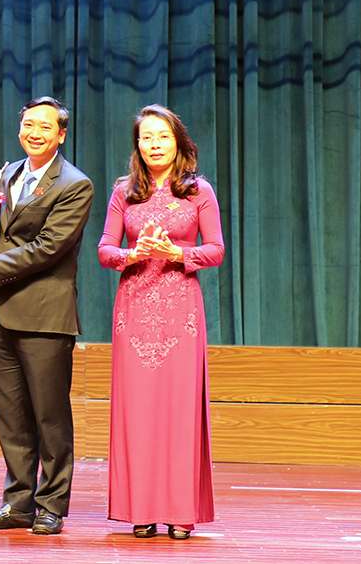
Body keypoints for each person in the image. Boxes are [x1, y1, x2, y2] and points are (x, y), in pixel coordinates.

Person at [0, 96, 94, 536]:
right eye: (29, 124)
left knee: (50, 416)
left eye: (45, 127)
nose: (35, 133)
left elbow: (48, 247)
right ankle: (18, 503)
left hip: (45, 316)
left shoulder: (74, 184)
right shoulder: (9, 173)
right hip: (2, 313)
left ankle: (52, 505)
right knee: (10, 416)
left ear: (61, 135)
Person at [96, 104, 225, 540]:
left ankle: (180, 510)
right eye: (146, 137)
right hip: (133, 311)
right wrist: (131, 254)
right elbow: (105, 249)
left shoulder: (198, 191)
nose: (154, 144)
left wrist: (178, 254)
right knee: (138, 413)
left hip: (180, 311)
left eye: (162, 136)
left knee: (178, 411)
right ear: (137, 145)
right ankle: (141, 509)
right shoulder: (124, 192)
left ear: (178, 142)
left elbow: (216, 249)